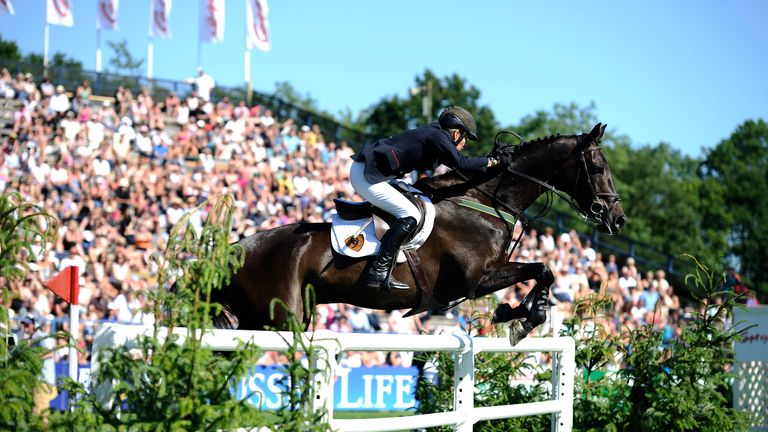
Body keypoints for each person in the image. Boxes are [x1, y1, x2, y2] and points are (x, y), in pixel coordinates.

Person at [349, 106, 509, 291]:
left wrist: (489, 160)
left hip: (376, 174)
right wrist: (493, 161)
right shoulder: (437, 136)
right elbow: (461, 163)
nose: (464, 144)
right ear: (456, 133)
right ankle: (379, 270)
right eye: (465, 138)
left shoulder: (435, 135)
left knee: (419, 200)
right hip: (367, 176)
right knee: (411, 215)